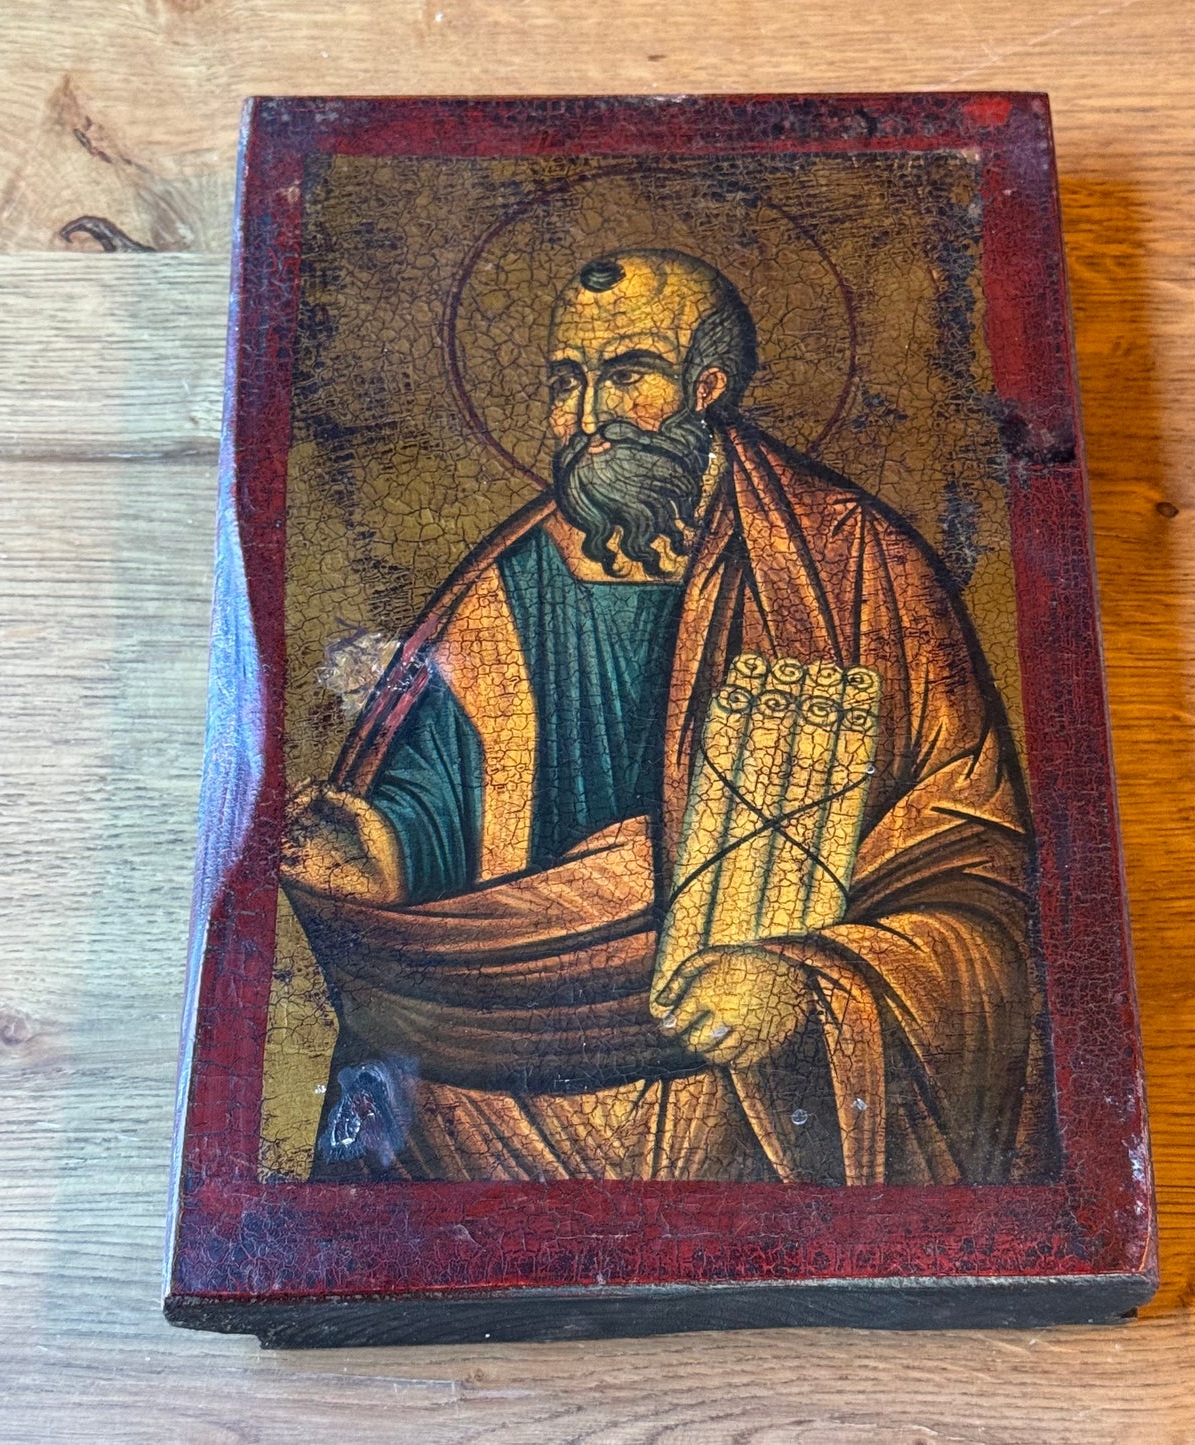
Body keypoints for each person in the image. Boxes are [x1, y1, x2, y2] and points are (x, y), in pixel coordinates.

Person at [281, 249, 1055, 1185]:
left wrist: (811, 982)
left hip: (748, 1100)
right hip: (493, 1088)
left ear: (708, 385)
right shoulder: (500, 589)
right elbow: (443, 803)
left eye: (630, 372)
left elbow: (971, 870)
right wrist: (388, 855)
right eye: (569, 381)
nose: (591, 412)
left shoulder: (855, 571)